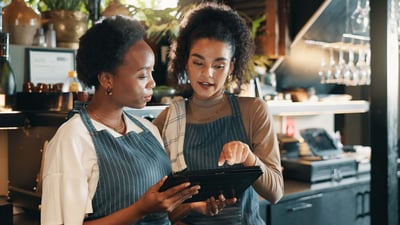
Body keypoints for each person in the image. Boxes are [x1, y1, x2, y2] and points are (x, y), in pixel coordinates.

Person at [40, 16, 201, 225]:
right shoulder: (73, 139)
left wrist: (191, 207)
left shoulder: (147, 130)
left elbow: (160, 215)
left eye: (151, 73)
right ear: (107, 79)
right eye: (143, 76)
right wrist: (139, 209)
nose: (152, 82)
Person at [153, 2, 284, 224]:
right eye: (198, 62)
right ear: (186, 62)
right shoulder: (167, 121)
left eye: (219, 65)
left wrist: (249, 158)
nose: (207, 74)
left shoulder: (253, 110)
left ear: (232, 67)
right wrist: (192, 208)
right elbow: (158, 208)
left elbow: (276, 193)